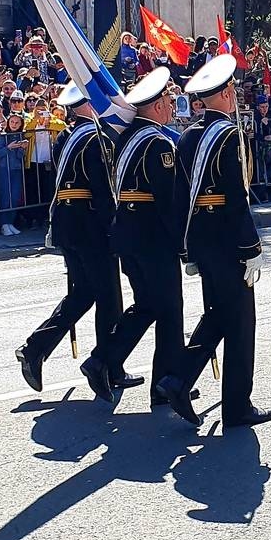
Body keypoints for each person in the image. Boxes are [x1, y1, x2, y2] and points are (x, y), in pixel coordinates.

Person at [158, 53, 271, 428]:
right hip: (227, 239)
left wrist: (184, 247)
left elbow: (180, 197)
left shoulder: (188, 136)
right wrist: (251, 247)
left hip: (202, 240)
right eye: (232, 89)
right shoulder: (228, 135)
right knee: (240, 322)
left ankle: (179, 379)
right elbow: (236, 197)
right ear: (224, 93)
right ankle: (237, 406)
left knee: (219, 315)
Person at [80, 67, 184, 404]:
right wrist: (184, 240)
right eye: (168, 100)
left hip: (128, 233)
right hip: (152, 237)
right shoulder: (157, 142)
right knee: (169, 309)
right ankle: (165, 383)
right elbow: (167, 199)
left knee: (148, 305)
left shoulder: (125, 138)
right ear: (155, 106)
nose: (172, 105)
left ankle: (103, 359)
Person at [15, 82, 121, 392]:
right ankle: (108, 366)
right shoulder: (95, 139)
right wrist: (113, 228)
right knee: (109, 297)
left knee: (83, 294)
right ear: (88, 105)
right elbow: (102, 190)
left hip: (67, 223)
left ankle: (35, 348)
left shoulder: (67, 138)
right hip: (90, 226)